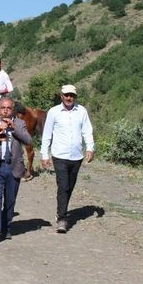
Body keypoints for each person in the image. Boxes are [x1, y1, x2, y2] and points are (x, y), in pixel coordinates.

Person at [40, 84, 94, 234]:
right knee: (63, 186)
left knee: (69, 186)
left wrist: (90, 147)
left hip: (76, 156)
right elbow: (47, 134)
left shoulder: (81, 111)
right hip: (59, 155)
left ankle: (60, 210)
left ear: (75, 97)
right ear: (61, 96)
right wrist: (45, 155)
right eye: (66, 95)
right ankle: (62, 218)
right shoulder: (54, 112)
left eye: (72, 95)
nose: (69, 98)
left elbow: (87, 130)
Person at [0, 97, 31, 243]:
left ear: (12, 109)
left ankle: (6, 227)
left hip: (13, 166)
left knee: (10, 200)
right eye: (3, 108)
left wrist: (14, 128)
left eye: (8, 108)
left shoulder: (20, 123)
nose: (6, 111)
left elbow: (28, 140)